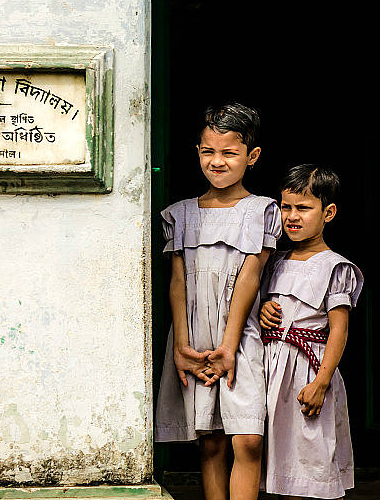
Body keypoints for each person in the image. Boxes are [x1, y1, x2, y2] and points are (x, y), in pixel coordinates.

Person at [155, 103, 281, 500]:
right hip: (192, 334)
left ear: (252, 156)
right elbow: (177, 282)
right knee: (209, 440)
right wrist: (180, 346)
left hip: (240, 333)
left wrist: (228, 345)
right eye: (209, 151)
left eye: (229, 152)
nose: (217, 161)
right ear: (197, 152)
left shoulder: (262, 211)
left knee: (247, 439)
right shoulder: (180, 215)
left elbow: (250, 276)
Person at [258, 164, 363, 500]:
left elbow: (338, 330)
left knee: (310, 459)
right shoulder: (275, 261)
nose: (292, 216)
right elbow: (265, 306)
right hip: (272, 370)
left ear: (328, 212)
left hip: (308, 373)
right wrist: (263, 311)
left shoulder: (335, 267)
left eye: (303, 208)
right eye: (286, 206)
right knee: (279, 464)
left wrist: (321, 382)